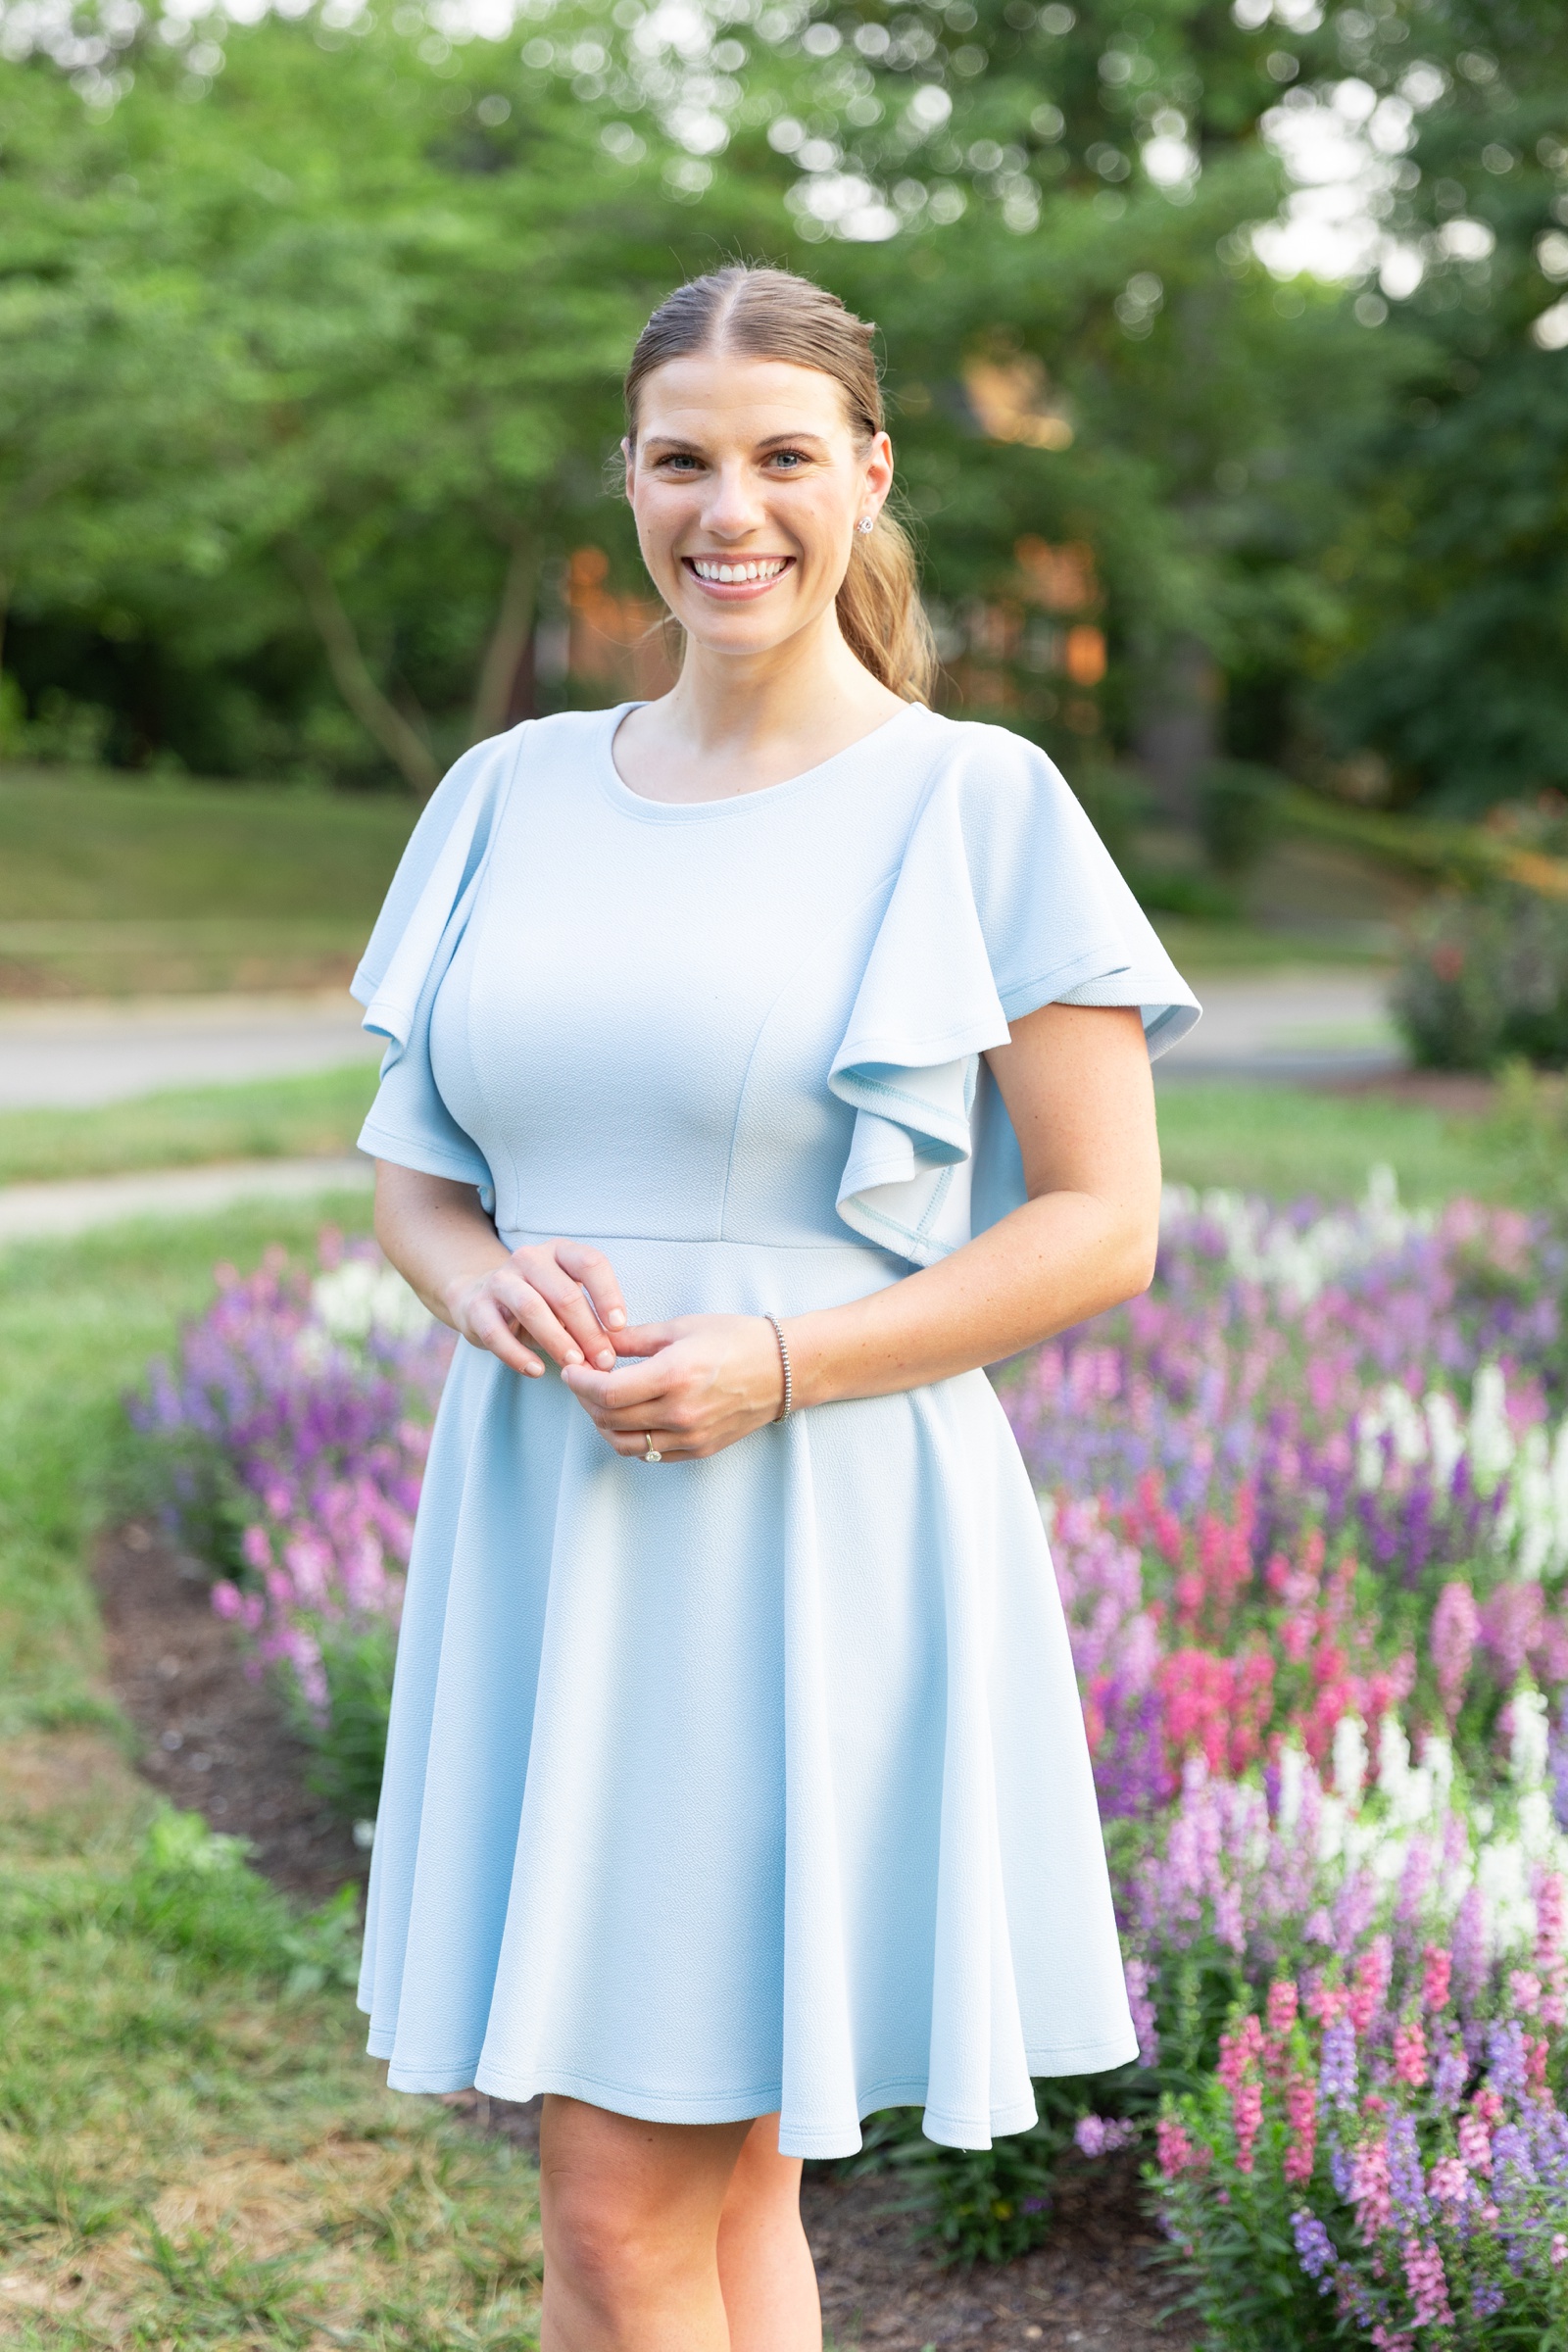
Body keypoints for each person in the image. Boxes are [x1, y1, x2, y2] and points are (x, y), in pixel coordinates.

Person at [352, 264, 1200, 2351]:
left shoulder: (971, 801)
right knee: (706, 2210)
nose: (729, 509)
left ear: (868, 477)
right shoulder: (507, 791)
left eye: (781, 458)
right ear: (628, 483)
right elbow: (411, 1176)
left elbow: (1101, 1225)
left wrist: (777, 1362)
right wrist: (480, 1283)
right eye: (682, 460)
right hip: (551, 1521)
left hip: (806, 1535)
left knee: (618, 2216)